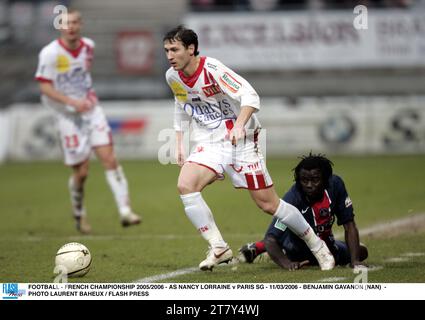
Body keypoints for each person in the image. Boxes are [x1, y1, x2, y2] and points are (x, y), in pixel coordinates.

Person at [163, 25, 335, 271]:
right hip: (210, 141)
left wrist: (240, 125)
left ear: (191, 49)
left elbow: (251, 96)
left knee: (268, 204)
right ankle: (219, 247)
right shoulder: (172, 75)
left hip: (241, 141)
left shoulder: (213, 70)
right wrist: (179, 141)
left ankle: (317, 245)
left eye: (174, 49)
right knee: (185, 185)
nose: (169, 55)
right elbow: (182, 104)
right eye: (166, 50)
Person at [35, 9, 141, 234]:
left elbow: (83, 76)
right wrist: (71, 102)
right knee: (81, 172)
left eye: (74, 22)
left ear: (80, 25)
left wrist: (86, 97)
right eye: (66, 23)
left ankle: (125, 211)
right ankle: (79, 213)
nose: (70, 26)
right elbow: (44, 87)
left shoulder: (88, 47)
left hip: (91, 110)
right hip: (67, 115)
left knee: (109, 159)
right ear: (60, 26)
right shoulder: (50, 53)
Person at [238, 153, 368, 270]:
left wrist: (355, 261)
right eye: (304, 180)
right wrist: (287, 263)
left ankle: (261, 249)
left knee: (361, 251)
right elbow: (271, 239)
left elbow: (349, 224)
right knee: (279, 239)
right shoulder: (292, 200)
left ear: (326, 179)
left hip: (329, 246)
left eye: (315, 180)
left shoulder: (336, 185)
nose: (309, 185)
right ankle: (267, 249)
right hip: (298, 252)